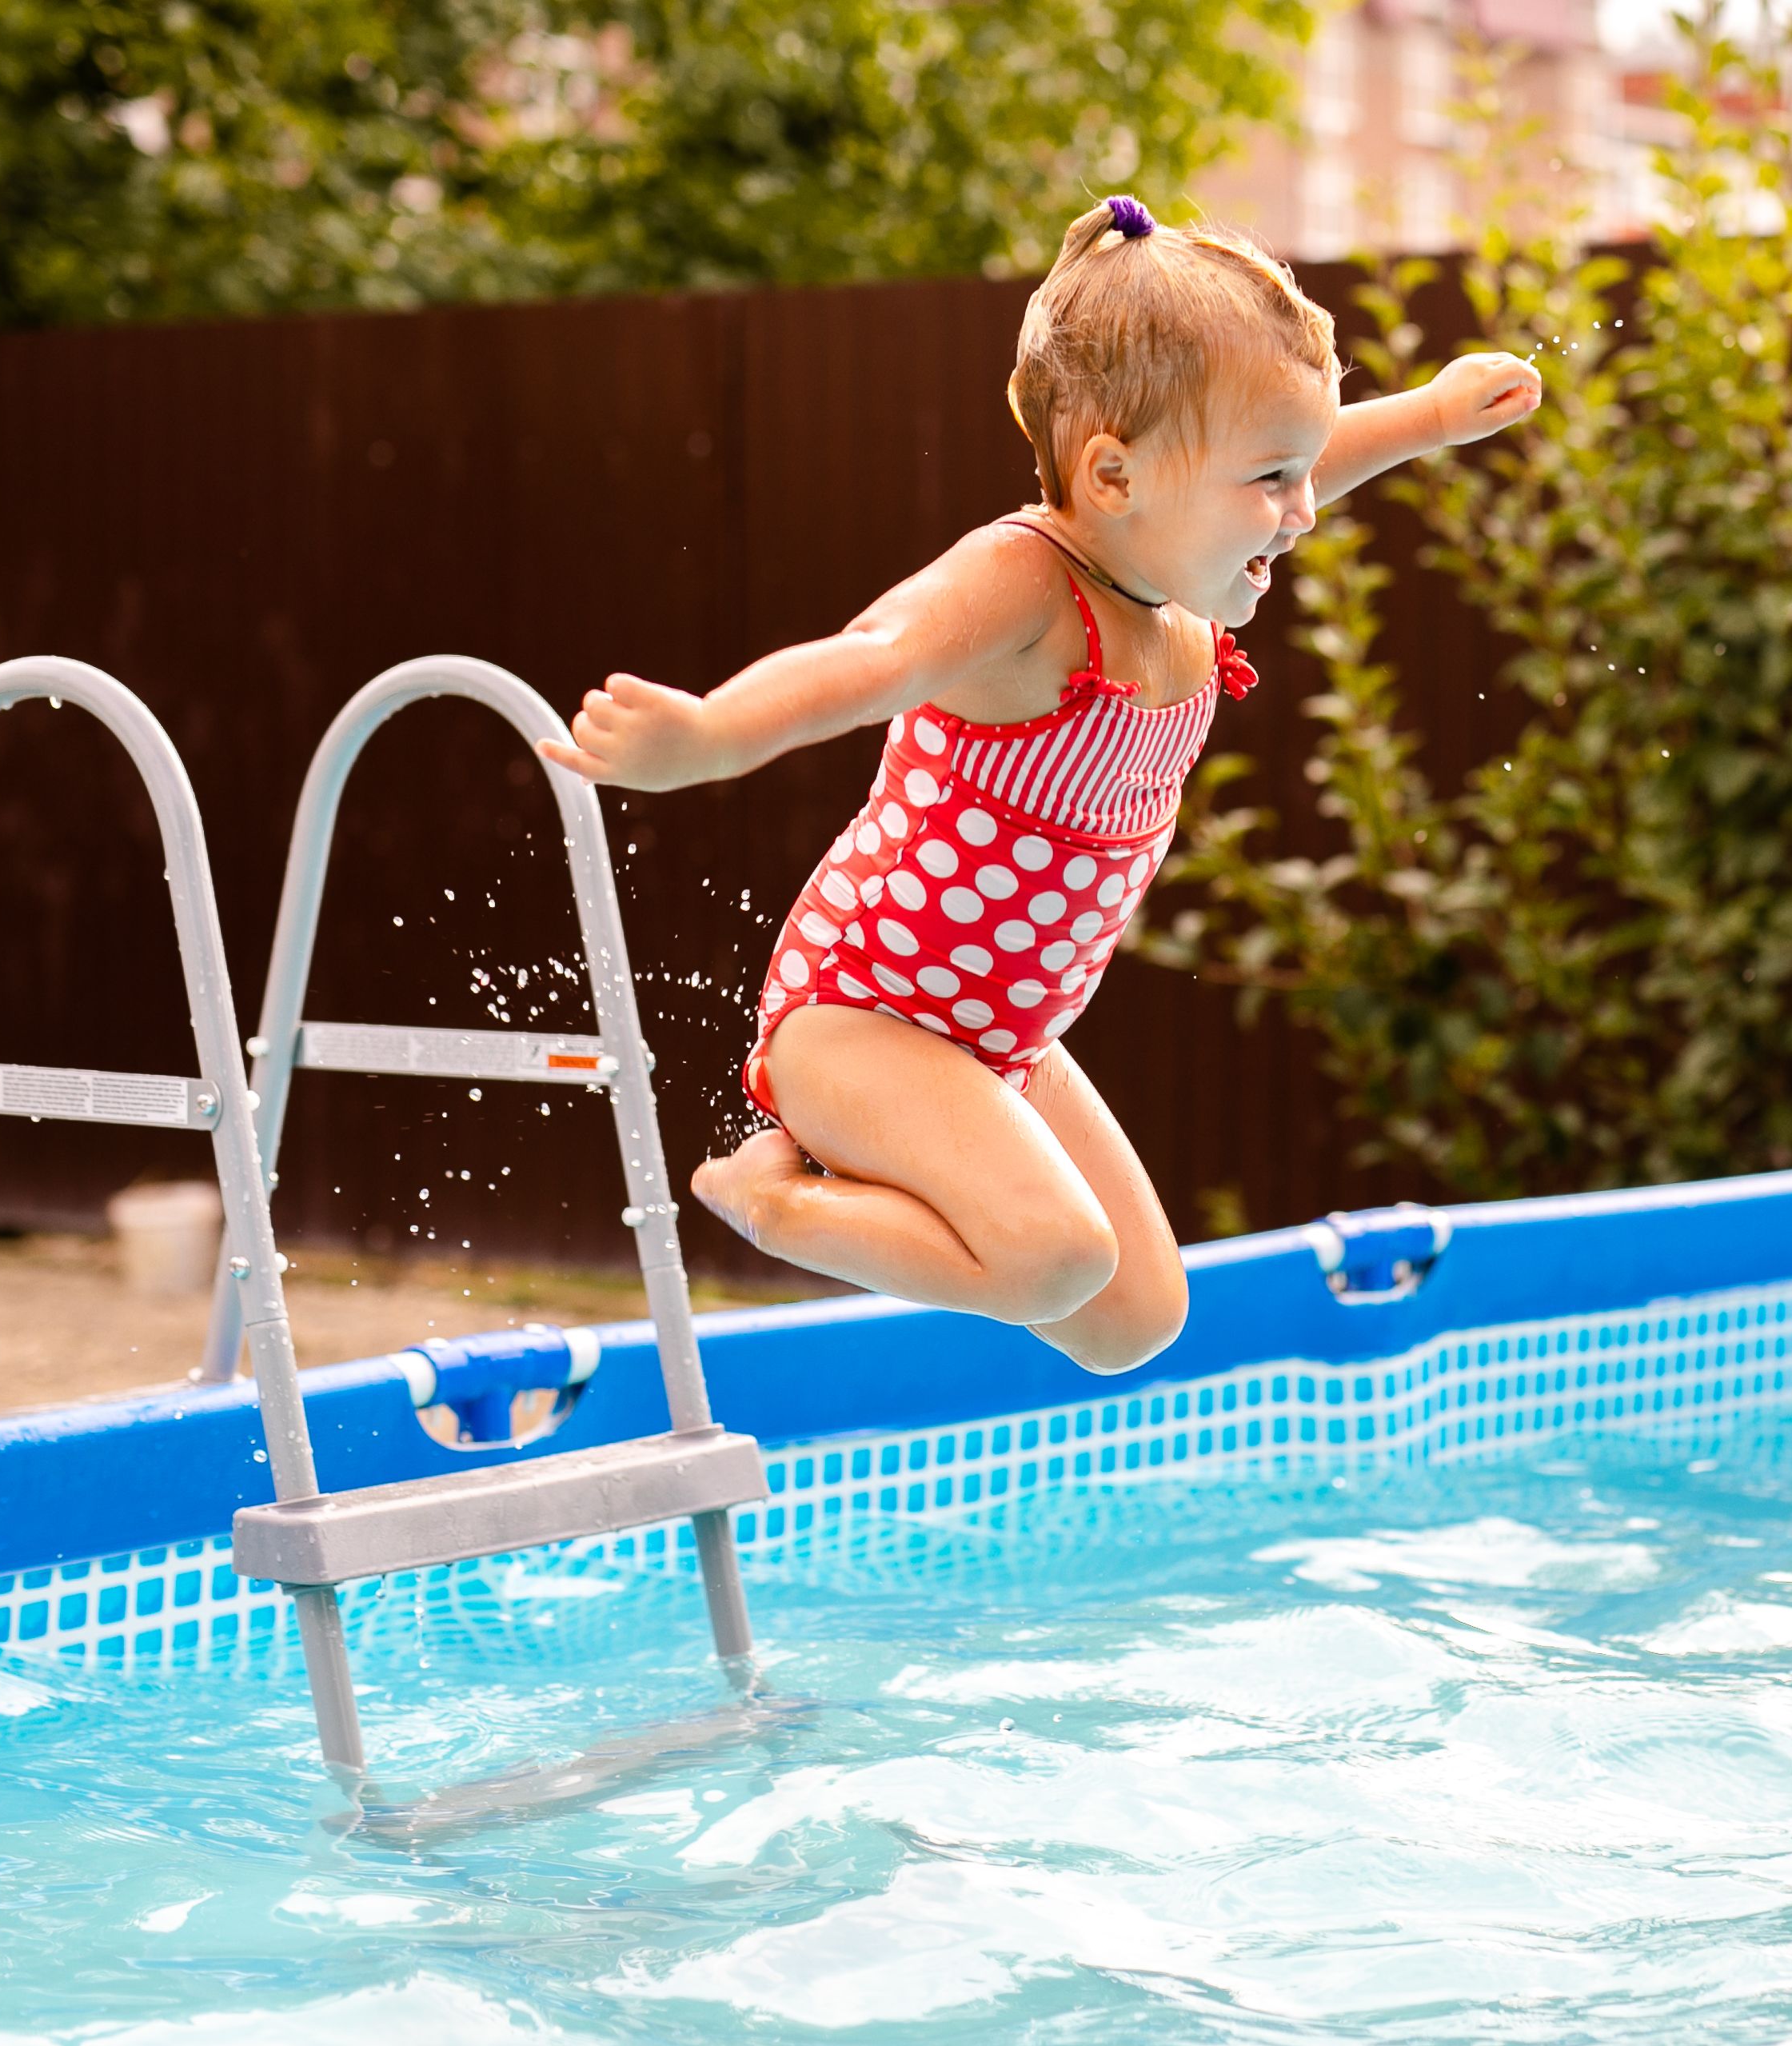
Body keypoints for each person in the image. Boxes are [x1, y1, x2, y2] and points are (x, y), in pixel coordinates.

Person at [540, 195, 1541, 1373]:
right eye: (1273, 477)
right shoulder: (1026, 588)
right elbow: (875, 658)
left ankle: (866, 1184)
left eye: (1303, 468)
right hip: (862, 1016)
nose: (1303, 510)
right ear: (1112, 474)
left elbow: (1318, 463)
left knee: (1131, 1320)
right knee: (1052, 1257)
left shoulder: (1171, 575)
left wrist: (1427, 416)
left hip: (1003, 1033)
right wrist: (707, 736)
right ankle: (772, 1199)